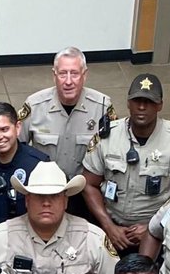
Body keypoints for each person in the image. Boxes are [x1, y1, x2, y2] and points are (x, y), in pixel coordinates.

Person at [81, 73, 170, 255]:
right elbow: (88, 184)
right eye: (137, 100)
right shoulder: (107, 137)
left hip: (156, 234)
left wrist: (153, 226)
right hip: (111, 227)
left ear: (160, 105)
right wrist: (108, 226)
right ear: (128, 103)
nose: (142, 107)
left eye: (149, 102)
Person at [18, 46, 116, 190]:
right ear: (54, 75)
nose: (68, 81)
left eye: (75, 74)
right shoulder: (34, 106)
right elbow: (17, 149)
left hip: (84, 190)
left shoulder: (102, 107)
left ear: (85, 75)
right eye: (63, 74)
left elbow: (112, 153)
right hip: (45, 189)